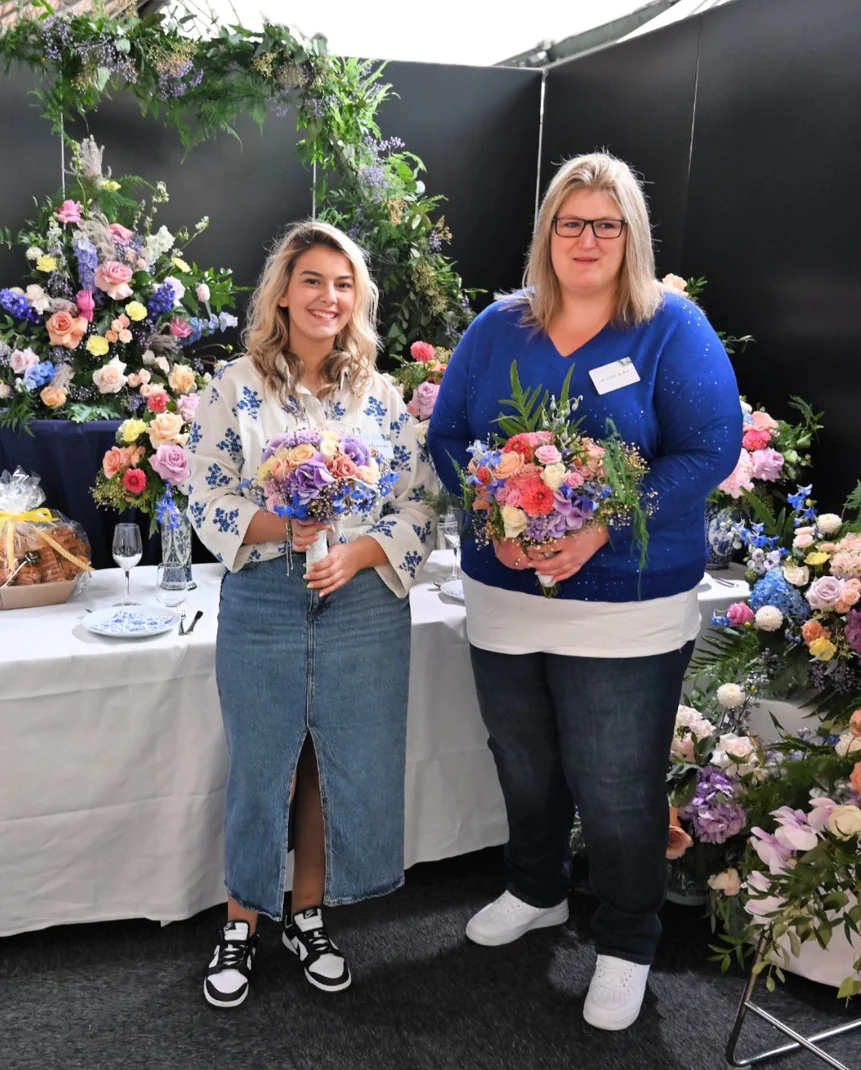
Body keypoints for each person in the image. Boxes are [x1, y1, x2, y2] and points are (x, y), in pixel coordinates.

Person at [427, 153, 741, 1031]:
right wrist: (492, 510)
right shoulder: (499, 326)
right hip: (505, 592)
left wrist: (606, 522)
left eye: (608, 224)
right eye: (572, 223)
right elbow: (451, 433)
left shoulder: (669, 328)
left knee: (617, 783)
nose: (589, 239)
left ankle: (628, 938)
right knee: (523, 763)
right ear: (547, 236)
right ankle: (536, 890)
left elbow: (708, 446)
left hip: (628, 602)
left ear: (631, 237)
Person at [186, 220, 438, 1008]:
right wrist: (280, 528)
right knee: (264, 758)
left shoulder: (381, 394)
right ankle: (242, 920)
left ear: (356, 297)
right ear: (283, 293)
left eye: (342, 283)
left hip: (362, 602)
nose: (328, 296)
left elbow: (422, 503)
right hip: (262, 595)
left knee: (334, 762)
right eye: (312, 281)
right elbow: (206, 494)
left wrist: (359, 554)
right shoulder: (236, 385)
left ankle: (309, 914)